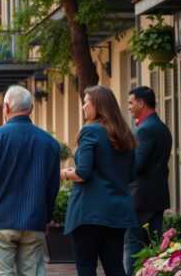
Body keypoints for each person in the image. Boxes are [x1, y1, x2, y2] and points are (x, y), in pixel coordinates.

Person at [0, 85, 61, 276]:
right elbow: (53, 187)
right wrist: (45, 216)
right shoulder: (49, 143)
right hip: (34, 220)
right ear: (31, 109)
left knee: (0, 273)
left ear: (6, 108)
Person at [61, 85, 138, 276]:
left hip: (89, 213)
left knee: (86, 268)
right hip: (117, 211)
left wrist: (64, 173)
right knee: (115, 267)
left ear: (98, 105)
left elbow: (83, 173)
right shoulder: (125, 134)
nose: (83, 107)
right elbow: (131, 174)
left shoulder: (90, 131)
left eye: (86, 102)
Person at [124, 86, 172, 276]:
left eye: (131, 102)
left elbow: (137, 166)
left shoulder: (145, 130)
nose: (128, 107)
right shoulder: (161, 127)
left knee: (133, 245)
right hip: (157, 196)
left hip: (140, 199)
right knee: (155, 247)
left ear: (141, 103)